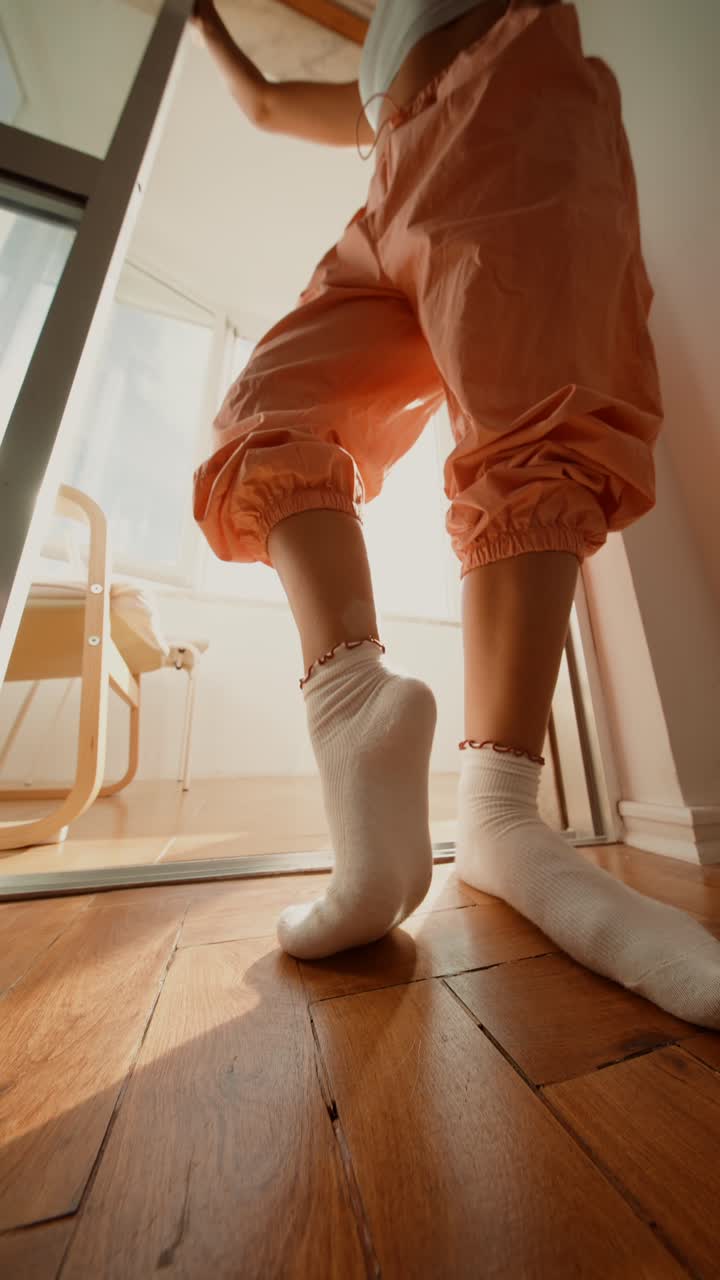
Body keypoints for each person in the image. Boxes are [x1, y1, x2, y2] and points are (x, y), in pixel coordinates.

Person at [191, 0, 719, 1029]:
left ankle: (502, 818)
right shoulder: (376, 51)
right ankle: (348, 698)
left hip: (512, 98)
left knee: (537, 427)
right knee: (267, 412)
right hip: (390, 175)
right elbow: (258, 103)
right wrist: (205, 22)